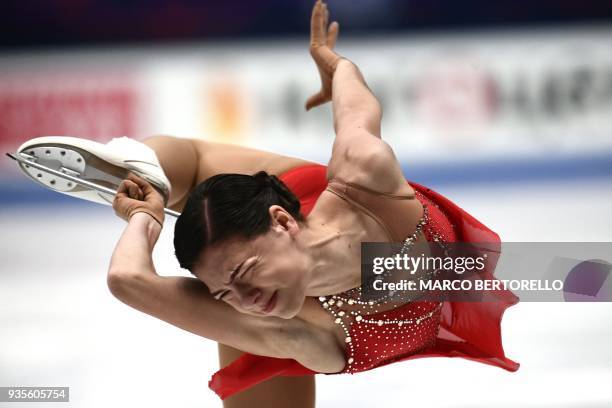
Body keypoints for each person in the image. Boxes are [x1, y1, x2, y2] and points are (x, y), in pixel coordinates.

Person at [15, 1, 519, 406]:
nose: (245, 296)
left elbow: (357, 109)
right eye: (224, 293)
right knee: (546, 272)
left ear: (282, 220)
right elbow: (128, 280)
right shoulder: (289, 328)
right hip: (315, 295)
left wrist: (336, 66)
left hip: (329, 212)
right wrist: (142, 217)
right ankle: (143, 172)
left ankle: (148, 167)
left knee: (195, 164)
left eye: (245, 275)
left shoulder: (362, 174)